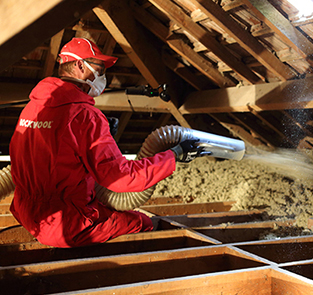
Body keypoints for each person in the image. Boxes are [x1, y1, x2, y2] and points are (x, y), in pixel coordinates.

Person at [9, 37, 202, 248]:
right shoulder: (84, 114)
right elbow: (120, 177)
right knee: (143, 223)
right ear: (79, 65)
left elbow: (54, 154)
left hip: (28, 215)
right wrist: (172, 156)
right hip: (66, 224)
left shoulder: (33, 107)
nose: (103, 76)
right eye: (99, 68)